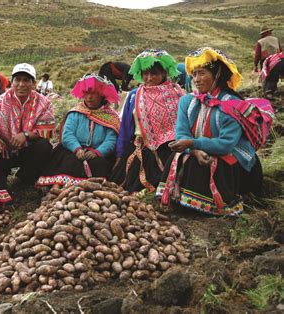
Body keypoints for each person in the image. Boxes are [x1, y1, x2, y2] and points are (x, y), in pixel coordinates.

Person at [156, 47, 263, 216]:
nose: (196, 79)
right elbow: (182, 133)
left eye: (202, 73)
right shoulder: (187, 101)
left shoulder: (232, 106)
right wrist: (194, 149)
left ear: (217, 75)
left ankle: (209, 207)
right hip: (199, 149)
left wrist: (193, 143)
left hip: (230, 157)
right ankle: (179, 201)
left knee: (208, 163)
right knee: (181, 157)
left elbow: (225, 145)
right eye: (194, 74)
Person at [109, 49, 184, 193]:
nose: (149, 78)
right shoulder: (134, 96)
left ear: (163, 73)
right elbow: (125, 128)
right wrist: (119, 156)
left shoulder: (176, 94)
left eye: (154, 73)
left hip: (167, 150)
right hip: (139, 148)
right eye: (145, 73)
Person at [36, 74, 120, 189]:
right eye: (86, 93)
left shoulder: (111, 117)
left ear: (101, 95)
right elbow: (67, 134)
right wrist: (77, 149)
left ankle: (92, 191)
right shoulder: (75, 113)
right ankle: (58, 189)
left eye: (93, 94)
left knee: (100, 165)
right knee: (68, 161)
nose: (89, 97)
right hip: (73, 150)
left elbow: (111, 139)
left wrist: (98, 152)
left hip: (98, 154)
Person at [0, 63, 55, 187]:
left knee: (44, 146)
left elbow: (47, 129)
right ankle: (0, 182)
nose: (21, 84)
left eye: (26, 80)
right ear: (12, 83)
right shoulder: (1, 101)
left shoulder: (44, 103)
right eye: (17, 80)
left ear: (34, 84)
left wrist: (26, 135)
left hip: (28, 151)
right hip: (4, 150)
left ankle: (23, 179)